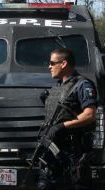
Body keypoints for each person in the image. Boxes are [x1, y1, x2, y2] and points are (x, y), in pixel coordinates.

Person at [38, 49, 97, 190]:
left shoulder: (82, 85)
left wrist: (62, 126)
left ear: (63, 63)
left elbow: (89, 115)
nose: (49, 66)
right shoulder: (57, 87)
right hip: (54, 152)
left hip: (73, 152)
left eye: (52, 63)